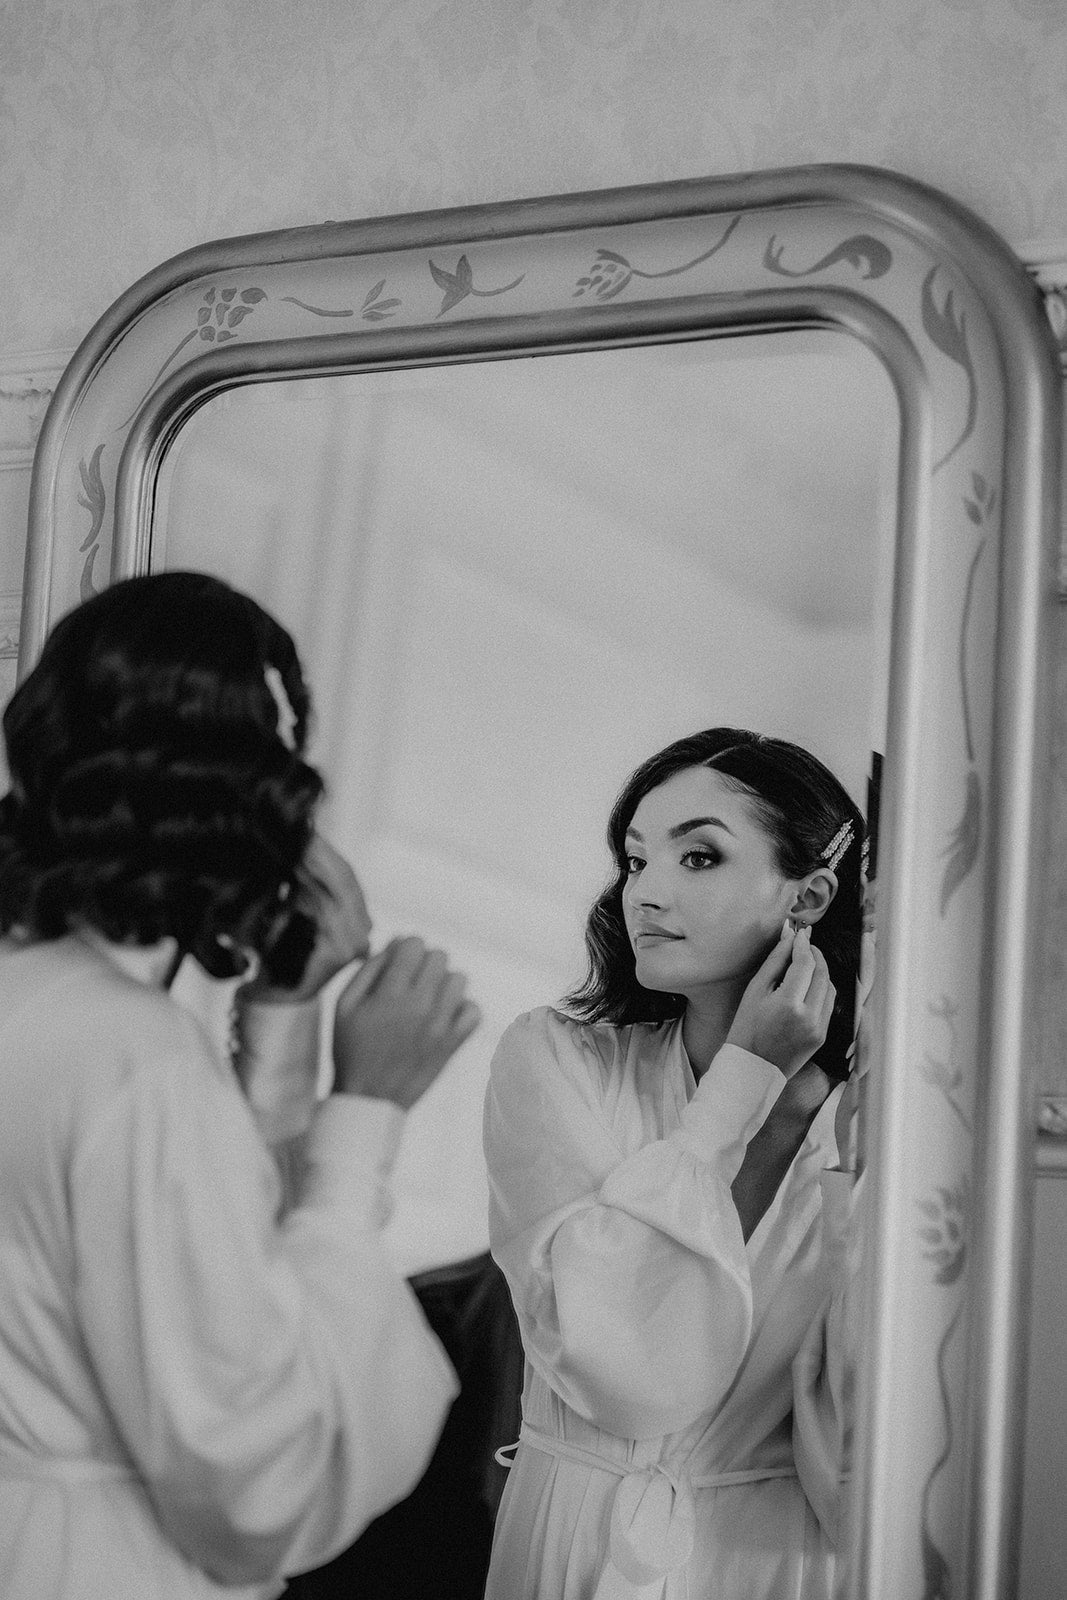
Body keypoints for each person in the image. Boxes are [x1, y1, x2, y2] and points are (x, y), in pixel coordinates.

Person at [0, 571, 481, 1600]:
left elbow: (197, 1254)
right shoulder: (138, 1066)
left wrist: (281, 1011)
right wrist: (366, 1108)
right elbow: (255, 1478)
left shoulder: (36, 999)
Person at [483, 727, 864, 1600]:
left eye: (697, 857)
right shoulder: (555, 1061)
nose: (643, 892)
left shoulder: (869, 1122)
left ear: (807, 896)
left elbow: (872, 1445)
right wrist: (744, 1084)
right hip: (574, 1537)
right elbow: (618, 1359)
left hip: (767, 1560)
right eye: (634, 860)